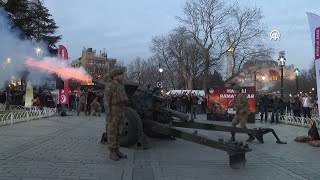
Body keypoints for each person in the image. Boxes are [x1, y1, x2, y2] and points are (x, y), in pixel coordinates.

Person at [104, 67, 129, 161]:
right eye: (120, 75)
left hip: (121, 111)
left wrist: (125, 100)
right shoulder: (110, 85)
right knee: (112, 132)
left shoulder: (121, 86)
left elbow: (124, 97)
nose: (122, 76)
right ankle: (112, 151)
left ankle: (117, 149)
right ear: (115, 76)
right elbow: (106, 101)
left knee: (119, 131)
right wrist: (108, 114)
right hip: (113, 112)